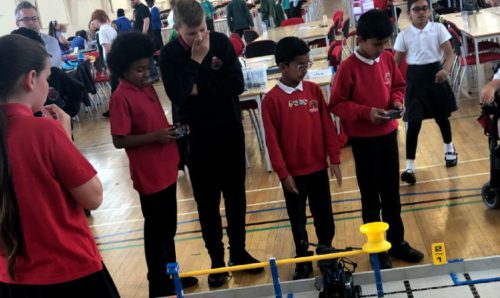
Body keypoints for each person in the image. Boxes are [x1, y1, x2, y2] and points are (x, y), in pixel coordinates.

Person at [0, 34, 119, 298]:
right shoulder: (44, 131)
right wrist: (64, 139)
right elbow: (93, 197)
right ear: (31, 79)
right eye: (46, 77)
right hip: (68, 271)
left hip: (10, 278)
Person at [159, 0, 263, 287]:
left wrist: (198, 88)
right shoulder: (169, 55)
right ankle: (217, 260)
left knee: (235, 197)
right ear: (177, 29)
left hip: (229, 131)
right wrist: (195, 61)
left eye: (203, 30)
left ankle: (238, 252)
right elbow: (178, 95)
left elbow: (237, 85)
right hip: (197, 139)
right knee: (207, 203)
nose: (200, 38)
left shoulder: (220, 42)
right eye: (192, 34)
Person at [329, 9, 424, 270]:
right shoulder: (348, 68)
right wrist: (366, 113)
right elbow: (337, 103)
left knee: (392, 193)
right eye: (376, 44)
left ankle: (397, 241)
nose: (382, 49)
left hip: (388, 135)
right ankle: (376, 248)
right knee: (371, 197)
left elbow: (398, 85)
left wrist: (396, 102)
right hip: (364, 141)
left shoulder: (387, 60)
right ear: (360, 40)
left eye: (385, 44)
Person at [107, 32, 198, 298]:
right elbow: (119, 140)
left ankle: (172, 275)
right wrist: (156, 137)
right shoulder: (120, 97)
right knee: (156, 232)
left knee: (168, 229)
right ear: (123, 70)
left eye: (148, 67)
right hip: (149, 175)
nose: (146, 73)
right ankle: (156, 283)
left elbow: (155, 124)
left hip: (166, 168)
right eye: (139, 70)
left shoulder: (146, 88)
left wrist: (171, 130)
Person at [262, 36, 342, 280]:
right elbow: (272, 142)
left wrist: (335, 159)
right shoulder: (271, 100)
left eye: (308, 65)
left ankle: (326, 251)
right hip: (293, 175)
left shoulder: (313, 91)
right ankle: (303, 257)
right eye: (300, 66)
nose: (305, 70)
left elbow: (328, 126)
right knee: (298, 219)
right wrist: (282, 173)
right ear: (283, 67)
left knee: (324, 216)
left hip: (318, 167)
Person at [394, 0, 458, 185]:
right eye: (417, 9)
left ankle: (449, 149)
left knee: (442, 117)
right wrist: (391, 86)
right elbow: (395, 64)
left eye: (424, 8)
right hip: (414, 79)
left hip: (435, 75)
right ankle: (409, 167)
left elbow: (449, 53)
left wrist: (445, 70)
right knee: (413, 123)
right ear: (410, 13)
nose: (421, 12)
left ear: (429, 11)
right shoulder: (404, 35)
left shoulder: (438, 29)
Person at [15, 1, 62, 68]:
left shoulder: (51, 42)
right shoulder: (13, 45)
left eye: (34, 18)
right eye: (26, 19)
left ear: (39, 21)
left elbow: (47, 70)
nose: (31, 22)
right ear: (17, 24)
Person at [131, 0, 159, 82]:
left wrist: (143, 35)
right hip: (139, 37)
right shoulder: (136, 10)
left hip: (144, 37)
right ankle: (151, 74)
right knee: (145, 57)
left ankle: (154, 75)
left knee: (148, 56)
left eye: (132, 0)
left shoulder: (143, 8)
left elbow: (146, 21)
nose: (131, 2)